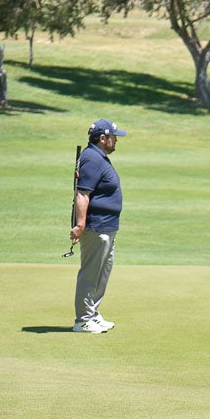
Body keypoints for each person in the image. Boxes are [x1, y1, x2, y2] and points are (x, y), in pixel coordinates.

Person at [71, 119, 127, 333]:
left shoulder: (98, 157)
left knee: (102, 273)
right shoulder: (92, 159)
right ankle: (82, 319)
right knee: (90, 274)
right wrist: (80, 225)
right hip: (96, 227)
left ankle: (92, 314)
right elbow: (83, 194)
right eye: (114, 137)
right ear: (102, 138)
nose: (116, 141)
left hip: (108, 227)